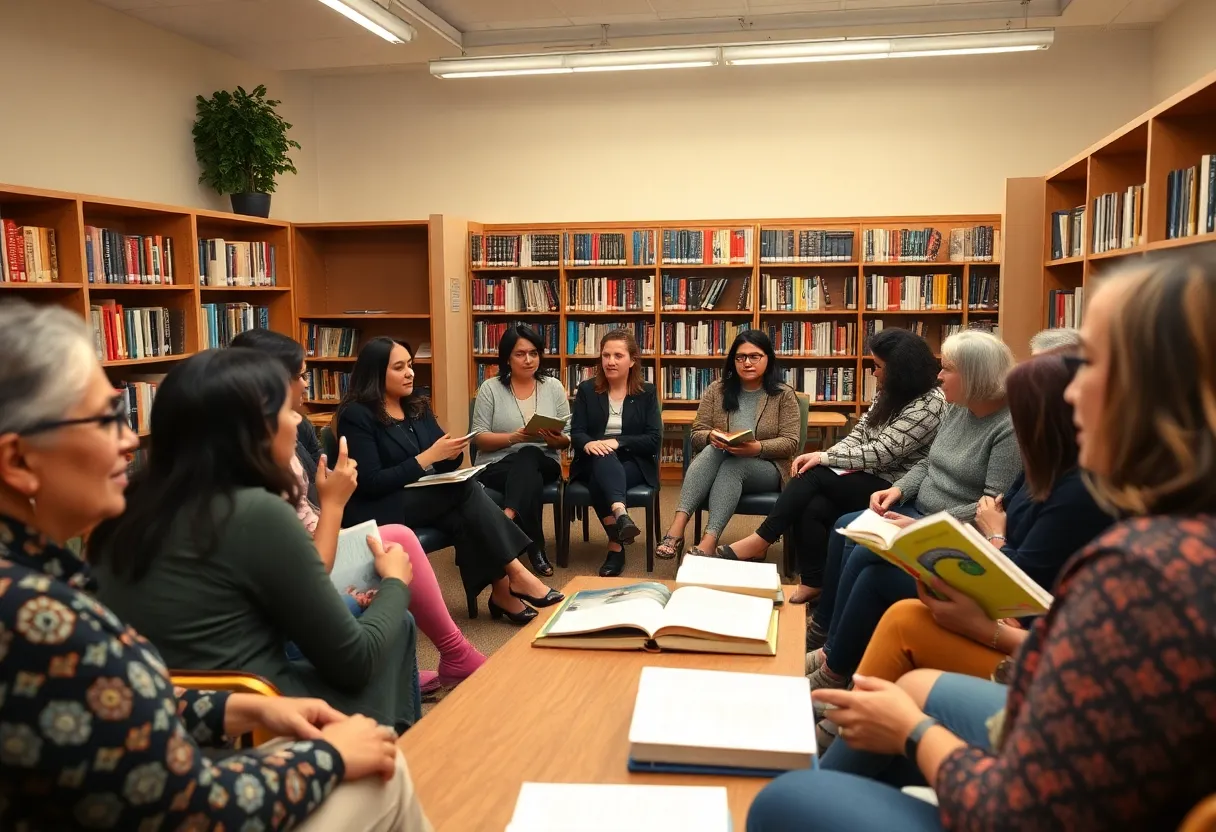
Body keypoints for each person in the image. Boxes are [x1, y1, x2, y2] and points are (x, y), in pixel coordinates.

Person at [747, 254, 1216, 832]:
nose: (1068, 394)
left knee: (779, 801)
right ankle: (834, 759)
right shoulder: (1176, 538)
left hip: (1024, 801)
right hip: (1056, 742)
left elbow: (1026, 810)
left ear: (1162, 394)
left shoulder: (1141, 573)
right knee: (909, 679)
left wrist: (914, 733)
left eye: (1092, 364)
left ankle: (824, 767)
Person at [0, 300, 430, 831]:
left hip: (234, 714)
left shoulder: (66, 561)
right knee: (384, 774)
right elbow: (186, 805)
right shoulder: (33, 616)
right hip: (215, 775)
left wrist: (234, 709)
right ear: (19, 461)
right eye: (106, 418)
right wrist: (328, 757)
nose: (129, 439)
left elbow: (114, 707)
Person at [90, 349, 424, 733]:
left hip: (165, 713)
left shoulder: (126, 507)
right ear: (255, 429)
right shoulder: (256, 512)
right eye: (287, 410)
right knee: (396, 622)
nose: (297, 420)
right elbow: (356, 662)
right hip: (257, 716)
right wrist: (395, 581)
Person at [816, 354, 1113, 772]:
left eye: (1021, 409)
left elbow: (1017, 573)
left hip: (1008, 604)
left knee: (877, 570)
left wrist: (993, 536)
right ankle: (834, 669)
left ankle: (835, 684)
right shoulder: (1041, 463)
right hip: (986, 565)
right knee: (858, 540)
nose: (1014, 419)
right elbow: (998, 510)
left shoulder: (1075, 490)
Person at [229, 328, 485, 691]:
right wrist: (337, 500)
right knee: (414, 531)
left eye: (411, 365)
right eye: (301, 375)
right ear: (268, 381)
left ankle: (462, 638)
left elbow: (315, 489)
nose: (306, 385)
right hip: (326, 540)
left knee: (461, 498)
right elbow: (355, 493)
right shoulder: (261, 455)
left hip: (324, 531)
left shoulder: (301, 426)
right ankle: (464, 640)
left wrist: (445, 454)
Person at [806, 330, 1020, 712]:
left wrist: (927, 525)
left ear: (974, 376)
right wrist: (898, 490)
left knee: (865, 551)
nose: (938, 376)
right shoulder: (958, 408)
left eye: (948, 369)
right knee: (846, 529)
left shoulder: (1008, 429)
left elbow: (990, 508)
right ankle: (828, 639)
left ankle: (835, 662)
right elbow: (927, 462)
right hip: (917, 509)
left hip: (953, 530)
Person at [335, 336, 561, 623]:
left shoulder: (416, 405)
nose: (410, 373)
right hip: (378, 504)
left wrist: (451, 452)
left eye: (410, 365)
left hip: (421, 496)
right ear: (376, 373)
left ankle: (503, 591)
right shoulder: (357, 415)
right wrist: (427, 457)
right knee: (465, 492)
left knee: (467, 512)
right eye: (399, 367)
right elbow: (370, 482)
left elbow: (444, 460)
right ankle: (517, 574)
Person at [718, 328, 945, 603]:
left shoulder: (929, 404)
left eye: (878, 366)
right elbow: (859, 434)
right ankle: (813, 581)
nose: (874, 373)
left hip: (894, 485)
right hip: (865, 474)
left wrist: (823, 458)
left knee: (813, 473)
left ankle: (762, 538)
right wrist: (826, 453)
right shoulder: (889, 392)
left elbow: (883, 452)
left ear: (900, 370)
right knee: (812, 503)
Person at [654, 330, 800, 561]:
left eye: (755, 356)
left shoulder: (783, 395)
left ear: (768, 358)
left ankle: (705, 540)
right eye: (740, 357)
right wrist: (711, 436)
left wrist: (758, 448)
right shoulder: (717, 390)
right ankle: (679, 529)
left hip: (768, 467)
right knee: (717, 452)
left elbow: (790, 442)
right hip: (724, 459)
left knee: (733, 466)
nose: (747, 363)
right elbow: (697, 433)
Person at [472, 324, 570, 577]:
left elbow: (566, 439)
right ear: (507, 358)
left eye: (534, 353)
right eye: (520, 354)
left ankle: (507, 519)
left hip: (545, 460)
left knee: (530, 455)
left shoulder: (553, 387)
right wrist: (513, 438)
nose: (528, 360)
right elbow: (479, 438)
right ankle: (535, 547)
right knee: (528, 470)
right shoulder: (490, 388)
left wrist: (555, 439)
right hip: (497, 463)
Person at [570, 329, 662, 577]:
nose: (610, 361)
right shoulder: (587, 390)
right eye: (606, 355)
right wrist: (588, 444)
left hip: (633, 462)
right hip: (592, 459)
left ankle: (616, 545)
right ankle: (620, 515)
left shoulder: (646, 393)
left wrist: (617, 442)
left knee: (601, 477)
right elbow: (576, 432)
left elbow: (653, 440)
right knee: (601, 461)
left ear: (632, 360)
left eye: (618, 355)